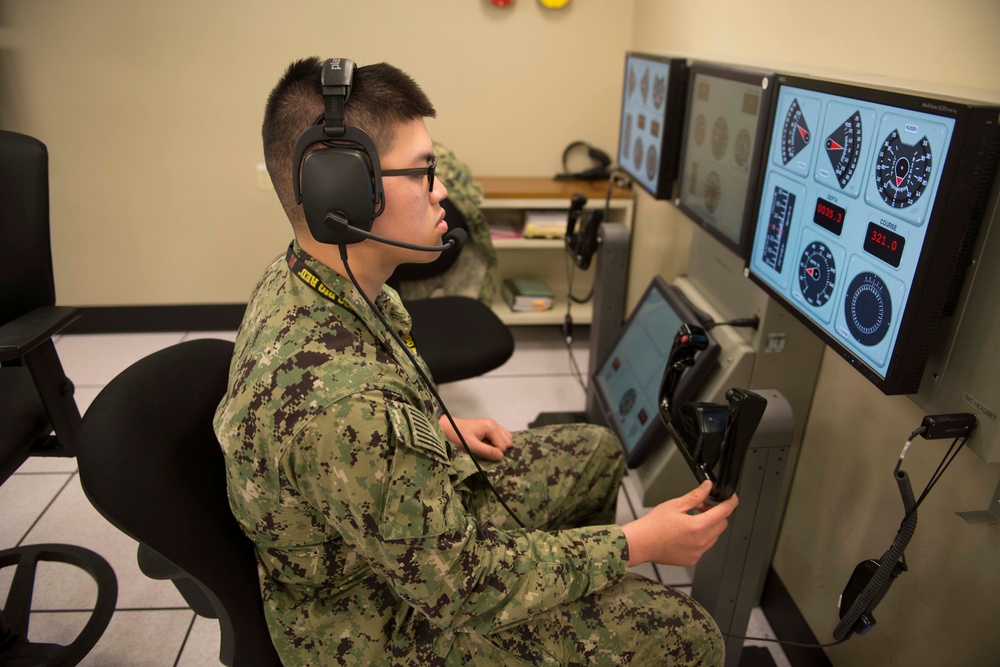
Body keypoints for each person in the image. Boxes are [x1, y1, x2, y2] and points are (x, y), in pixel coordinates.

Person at [214, 56, 738, 667]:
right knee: (686, 634)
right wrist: (638, 543)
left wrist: (435, 430)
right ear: (345, 195)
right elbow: (461, 587)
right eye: (423, 172)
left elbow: (346, 444)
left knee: (598, 455)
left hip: (380, 526)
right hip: (379, 624)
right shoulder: (347, 410)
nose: (443, 192)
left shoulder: (314, 276)